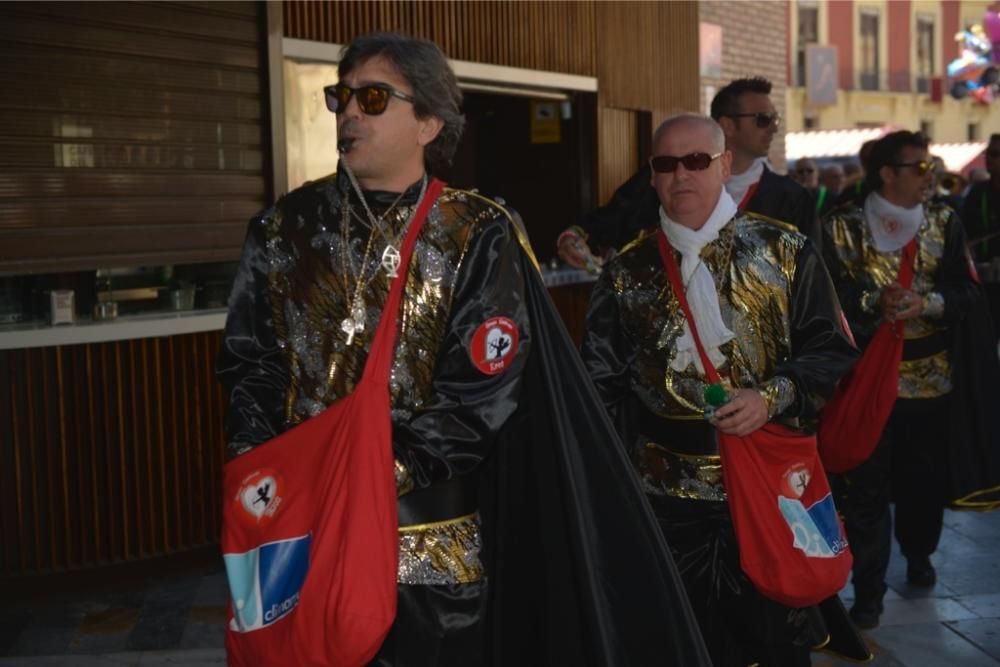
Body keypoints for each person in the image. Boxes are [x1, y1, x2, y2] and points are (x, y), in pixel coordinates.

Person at [217, 31, 709, 666]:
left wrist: (371, 477)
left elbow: (480, 392)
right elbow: (248, 366)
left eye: (372, 98)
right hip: (299, 527)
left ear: (428, 121)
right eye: (341, 97)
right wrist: (264, 475)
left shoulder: (478, 231)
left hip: (426, 543)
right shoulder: (282, 228)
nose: (349, 114)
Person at [581, 113, 864, 667]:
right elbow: (601, 387)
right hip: (665, 499)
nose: (681, 175)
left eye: (696, 161)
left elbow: (831, 351)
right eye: (666, 164)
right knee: (680, 643)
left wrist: (771, 397)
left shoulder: (784, 251)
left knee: (777, 640)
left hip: (766, 485)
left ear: (725, 164)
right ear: (652, 175)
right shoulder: (625, 271)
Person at [823, 130, 1000, 630]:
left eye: (931, 166)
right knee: (866, 489)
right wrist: (871, 304)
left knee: (924, 484)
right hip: (865, 382)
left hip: (932, 382)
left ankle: (920, 554)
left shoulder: (945, 221)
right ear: (887, 173)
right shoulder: (842, 226)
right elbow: (826, 296)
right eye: (919, 167)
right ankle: (870, 591)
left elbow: (967, 291)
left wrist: (930, 303)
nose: (929, 175)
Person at [558, 76, 819, 268]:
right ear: (727, 124)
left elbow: (815, 281)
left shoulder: (792, 199)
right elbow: (611, 219)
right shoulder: (667, 175)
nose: (773, 128)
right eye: (763, 119)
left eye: (774, 120)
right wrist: (572, 237)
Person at [961, 134, 1000, 261]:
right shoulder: (977, 192)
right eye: (987, 153)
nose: (988, 158)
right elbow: (964, 229)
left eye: (995, 154)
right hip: (983, 269)